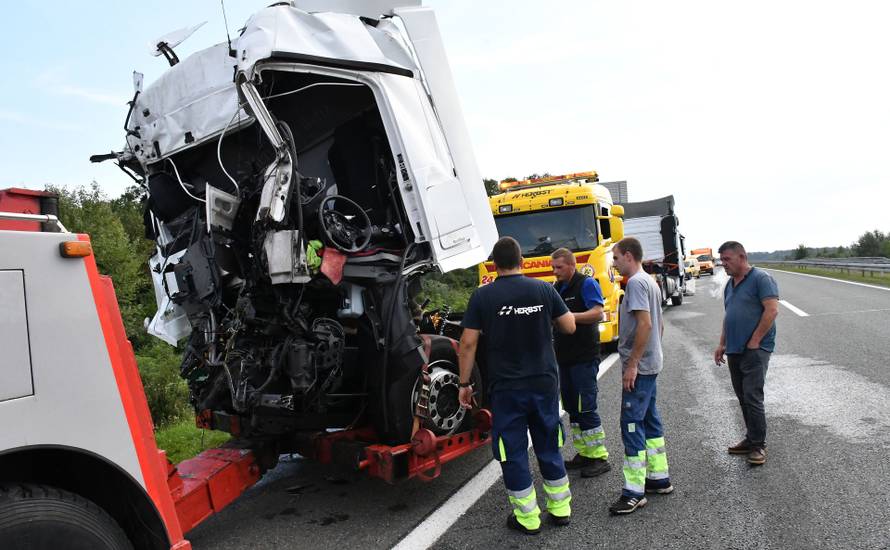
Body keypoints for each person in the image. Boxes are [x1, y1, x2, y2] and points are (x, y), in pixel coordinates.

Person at [458, 236, 576, 535]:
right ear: (522, 261)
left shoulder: (482, 296)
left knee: (512, 449)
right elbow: (569, 326)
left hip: (507, 388)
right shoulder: (544, 289)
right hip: (544, 382)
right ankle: (560, 508)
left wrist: (464, 383)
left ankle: (528, 518)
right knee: (548, 442)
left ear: (494, 265)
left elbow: (468, 343)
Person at [609, 237, 673, 515]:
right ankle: (659, 478)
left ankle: (634, 492)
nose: (614, 262)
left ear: (628, 255)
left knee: (632, 423)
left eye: (616, 257)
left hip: (641, 366)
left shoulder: (635, 283)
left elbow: (645, 324)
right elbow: (657, 325)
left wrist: (633, 363)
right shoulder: (650, 281)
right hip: (652, 362)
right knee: (650, 418)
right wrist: (651, 354)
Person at [713, 241, 779, 466]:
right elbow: (728, 315)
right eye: (721, 260)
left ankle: (758, 445)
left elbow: (772, 310)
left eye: (727, 259)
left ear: (742, 257)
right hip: (734, 349)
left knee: (752, 396)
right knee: (742, 396)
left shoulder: (761, 279)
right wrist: (722, 343)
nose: (723, 264)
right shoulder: (730, 285)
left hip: (755, 349)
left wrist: (756, 340)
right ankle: (751, 439)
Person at [550, 248, 611, 477]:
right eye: (553, 267)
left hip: (584, 356)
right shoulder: (557, 288)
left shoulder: (586, 284)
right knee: (572, 408)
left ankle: (599, 457)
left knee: (586, 406)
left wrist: (569, 317)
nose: (555, 272)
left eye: (559, 267)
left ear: (571, 266)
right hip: (564, 357)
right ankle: (584, 453)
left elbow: (597, 312)